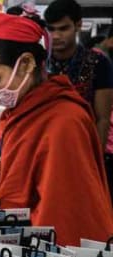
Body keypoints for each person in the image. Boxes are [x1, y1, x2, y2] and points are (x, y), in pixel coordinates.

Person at [0, 11, 113, 245]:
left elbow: (63, 216)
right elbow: (6, 194)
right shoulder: (16, 115)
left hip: (47, 251)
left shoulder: (65, 121)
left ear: (26, 63)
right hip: (17, 240)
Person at [44, 0, 113, 149]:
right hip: (43, 144)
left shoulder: (98, 62)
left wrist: (95, 156)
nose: (55, 36)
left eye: (63, 28)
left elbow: (103, 119)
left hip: (82, 145)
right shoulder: (38, 62)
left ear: (78, 25)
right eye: (51, 29)